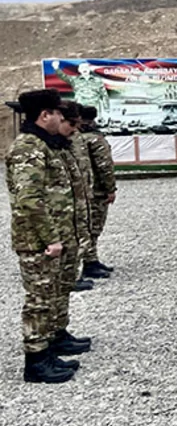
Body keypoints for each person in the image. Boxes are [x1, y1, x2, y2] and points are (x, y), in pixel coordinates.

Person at [6, 89, 89, 383]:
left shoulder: (46, 145)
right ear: (45, 115)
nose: (60, 119)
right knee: (40, 300)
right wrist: (51, 238)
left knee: (55, 292)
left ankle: (52, 344)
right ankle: (36, 361)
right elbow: (30, 200)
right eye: (57, 113)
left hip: (56, 236)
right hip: (38, 242)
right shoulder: (28, 148)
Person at [58, 103, 94, 294]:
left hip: (80, 195)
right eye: (72, 123)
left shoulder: (72, 138)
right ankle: (69, 276)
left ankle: (75, 272)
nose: (75, 128)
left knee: (82, 233)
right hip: (64, 204)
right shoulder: (48, 146)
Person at [78, 105, 117, 278]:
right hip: (96, 190)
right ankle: (89, 262)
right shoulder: (95, 139)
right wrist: (110, 188)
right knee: (93, 227)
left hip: (84, 188)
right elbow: (104, 166)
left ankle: (91, 259)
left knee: (88, 226)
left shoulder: (76, 138)